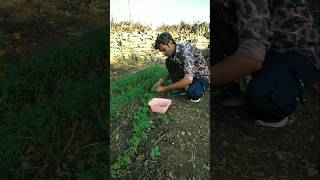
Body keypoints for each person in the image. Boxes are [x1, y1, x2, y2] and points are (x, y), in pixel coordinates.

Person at [212, 0, 320, 127]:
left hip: (294, 49)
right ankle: (236, 83)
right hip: (256, 41)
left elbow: (251, 59)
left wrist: (202, 78)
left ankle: (284, 92)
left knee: (264, 100)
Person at [153, 32, 210, 102]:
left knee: (193, 93)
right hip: (188, 74)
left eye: (164, 50)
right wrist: (161, 80)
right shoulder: (172, 54)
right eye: (161, 51)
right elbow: (172, 72)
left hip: (200, 76)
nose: (163, 53)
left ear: (171, 43)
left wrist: (164, 88)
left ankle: (194, 86)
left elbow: (188, 79)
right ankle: (183, 86)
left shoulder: (186, 51)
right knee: (168, 61)